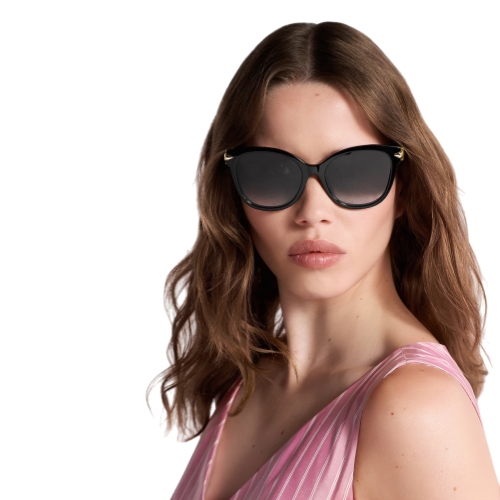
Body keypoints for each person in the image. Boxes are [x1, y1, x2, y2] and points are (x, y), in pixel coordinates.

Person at [149, 22, 500, 499]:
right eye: (273, 172)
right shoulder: (248, 385)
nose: (313, 212)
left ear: (405, 189)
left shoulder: (418, 407)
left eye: (355, 171)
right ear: (233, 194)